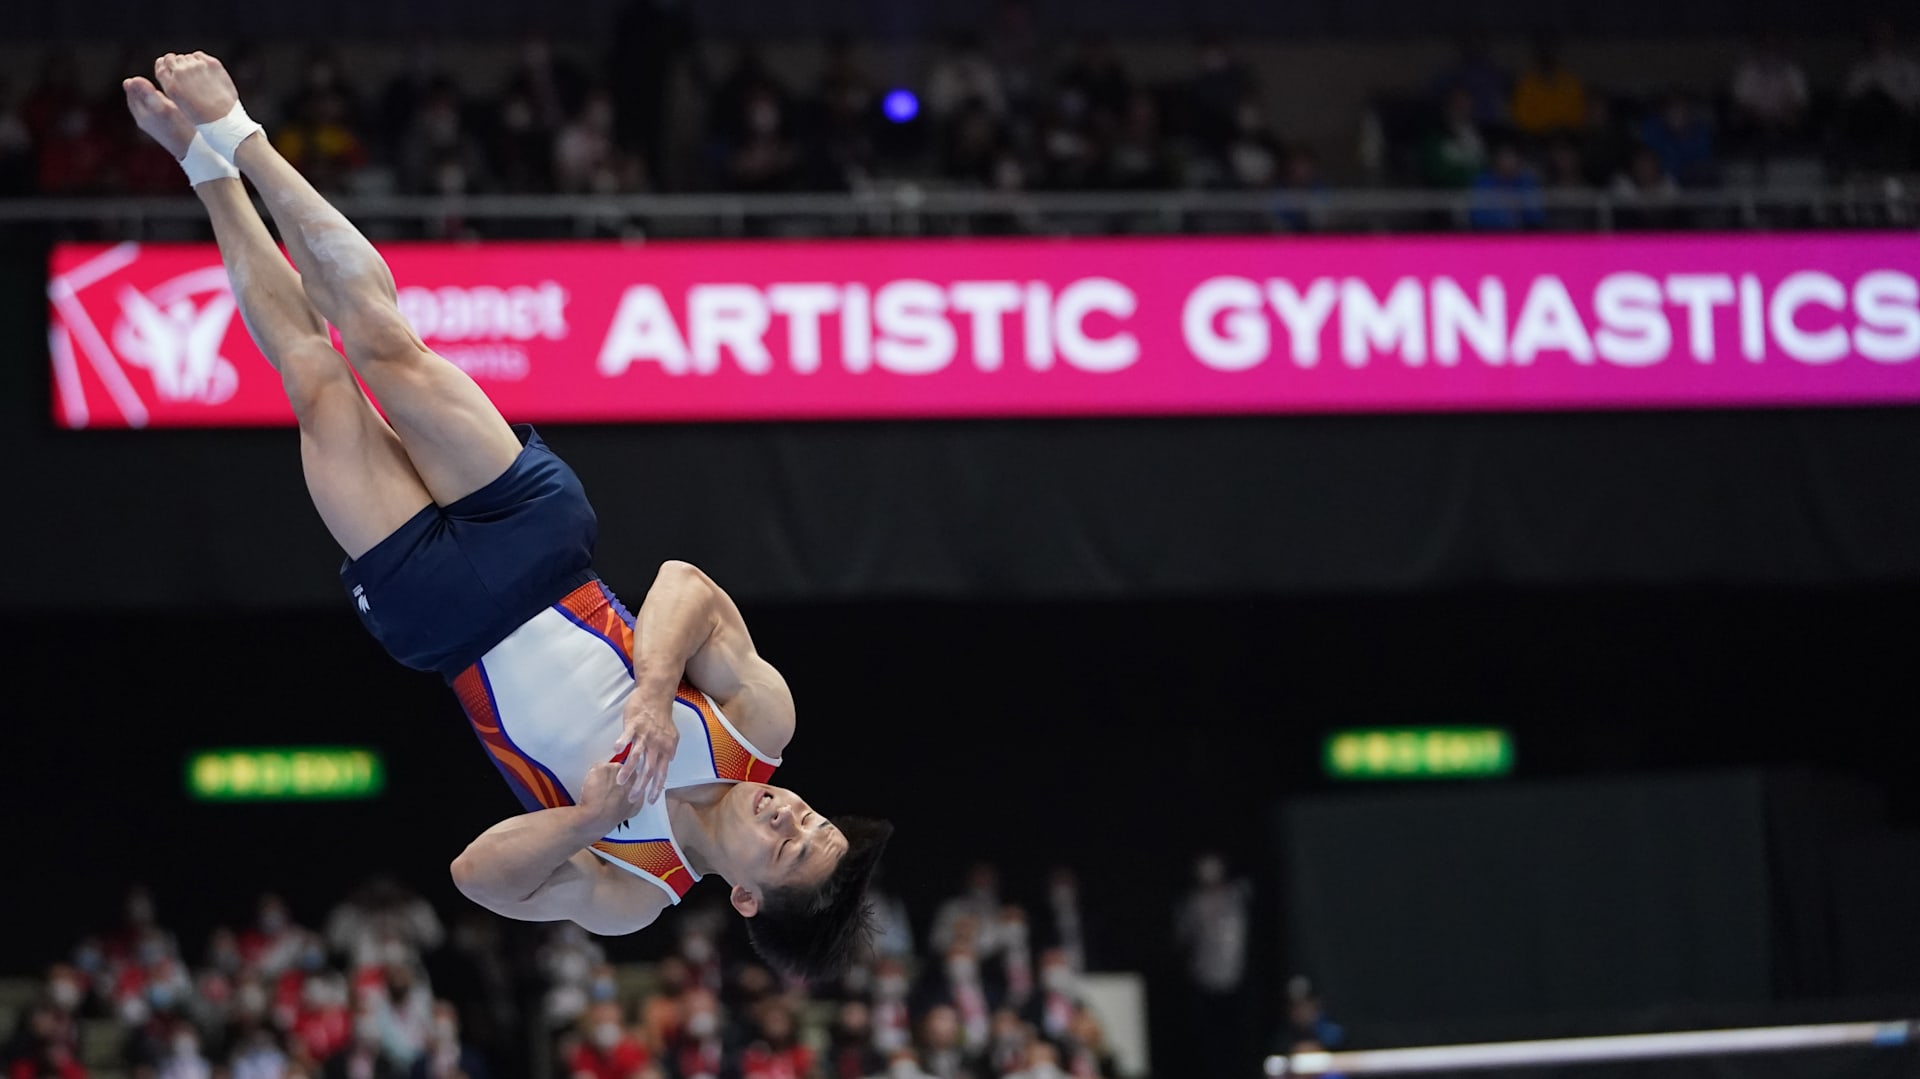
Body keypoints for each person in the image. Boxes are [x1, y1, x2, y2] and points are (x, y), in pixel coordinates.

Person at [123, 51, 891, 980]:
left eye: (789, 848)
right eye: (812, 819)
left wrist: (593, 818)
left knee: (319, 381)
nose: (790, 816)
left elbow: (476, 876)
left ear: (745, 896)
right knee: (380, 343)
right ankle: (240, 131)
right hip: (541, 545)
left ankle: (205, 167)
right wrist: (653, 696)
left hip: (445, 621)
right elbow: (687, 586)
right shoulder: (760, 723)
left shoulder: (629, 890)